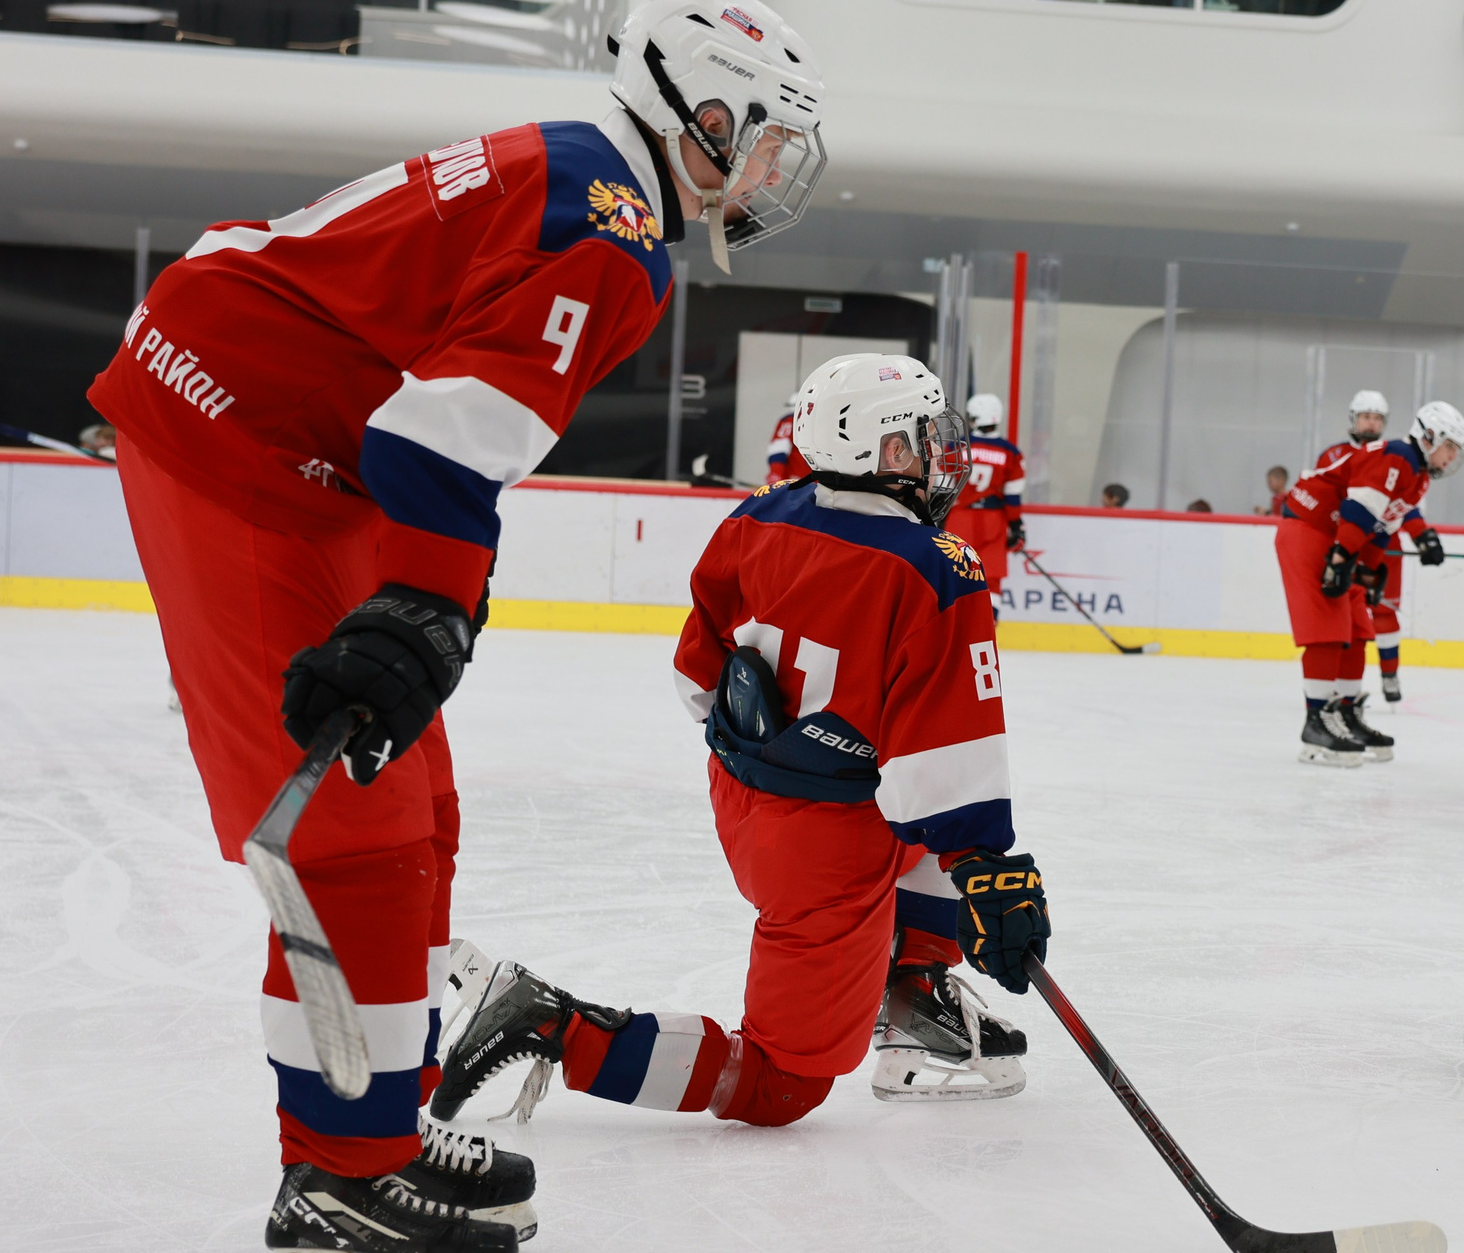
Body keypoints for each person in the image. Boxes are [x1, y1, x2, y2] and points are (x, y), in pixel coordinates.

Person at [82, 0, 827, 1253]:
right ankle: (339, 1177)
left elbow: (428, 418)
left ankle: (377, 1121)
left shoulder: (585, 170)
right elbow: (438, 439)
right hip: (243, 436)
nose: (770, 173)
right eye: (764, 138)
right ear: (702, 113)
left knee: (418, 812)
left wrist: (433, 601)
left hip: (286, 436)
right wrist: (424, 604)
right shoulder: (612, 230)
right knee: (352, 835)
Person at [433, 353, 1049, 1139]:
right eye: (923, 436)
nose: (939, 453)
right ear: (888, 449)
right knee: (783, 1083)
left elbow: (698, 677)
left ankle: (912, 994)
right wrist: (988, 868)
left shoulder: (760, 513)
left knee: (927, 824)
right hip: (826, 850)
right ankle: (552, 1024)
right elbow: (946, 759)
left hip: (745, 802)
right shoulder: (937, 569)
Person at [1276, 403, 1464, 764]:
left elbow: (1381, 527)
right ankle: (1316, 722)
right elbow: (1359, 510)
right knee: (1328, 627)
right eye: (1450, 447)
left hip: (1339, 538)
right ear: (1429, 437)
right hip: (1310, 528)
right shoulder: (1397, 456)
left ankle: (1345, 713)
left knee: (1358, 629)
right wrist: (1340, 561)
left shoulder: (1418, 476)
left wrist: (1367, 570)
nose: (1451, 457)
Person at [1313, 390, 1412, 700]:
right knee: (1339, 613)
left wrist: (1422, 534)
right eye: (1366, 417)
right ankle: (1335, 681)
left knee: (1384, 609)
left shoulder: (1393, 456)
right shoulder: (1332, 456)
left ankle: (1390, 675)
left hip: (1382, 543)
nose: (1371, 423)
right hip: (1345, 542)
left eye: (1377, 418)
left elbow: (1406, 500)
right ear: (1353, 419)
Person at [953, 391, 1024, 588]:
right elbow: (1012, 497)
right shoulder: (1011, 453)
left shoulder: (955, 447)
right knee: (989, 581)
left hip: (959, 520)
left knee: (954, 577)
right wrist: (1016, 527)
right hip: (993, 522)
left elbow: (941, 488)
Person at [765, 394, 812, 485]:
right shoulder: (790, 420)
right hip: (794, 481)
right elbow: (778, 451)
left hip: (807, 482)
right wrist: (776, 474)